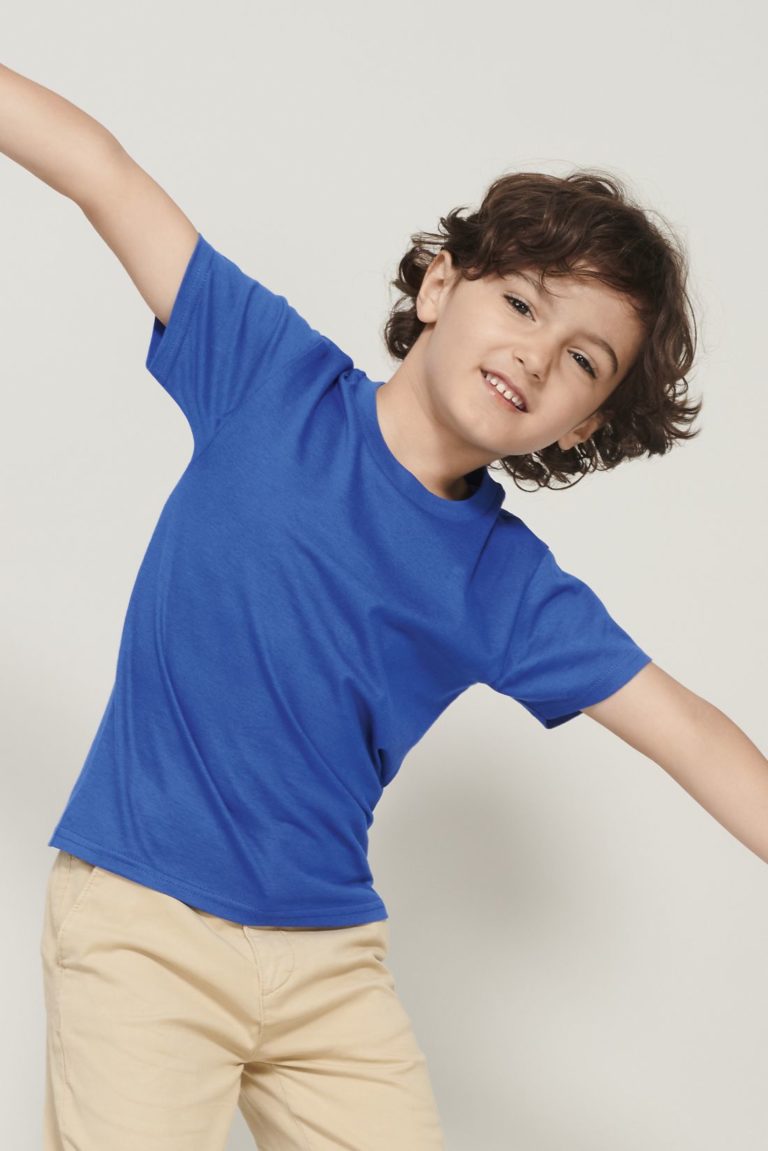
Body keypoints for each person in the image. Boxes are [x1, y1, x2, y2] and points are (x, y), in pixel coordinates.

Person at [3, 60, 767, 1151]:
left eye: (580, 360)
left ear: (580, 426)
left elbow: (687, 729)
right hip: (144, 921)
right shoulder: (269, 376)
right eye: (521, 303)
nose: (533, 354)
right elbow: (100, 170)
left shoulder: (507, 585)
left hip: (326, 966)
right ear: (440, 286)